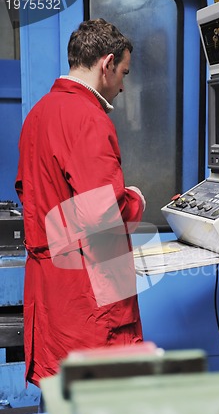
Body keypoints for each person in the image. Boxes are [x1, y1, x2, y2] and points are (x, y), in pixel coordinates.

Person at [15, 19, 146, 389]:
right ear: (106, 64)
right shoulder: (88, 119)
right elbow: (101, 215)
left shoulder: (37, 115)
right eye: (123, 73)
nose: (122, 86)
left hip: (50, 291)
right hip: (88, 295)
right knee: (100, 403)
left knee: (61, 396)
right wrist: (135, 201)